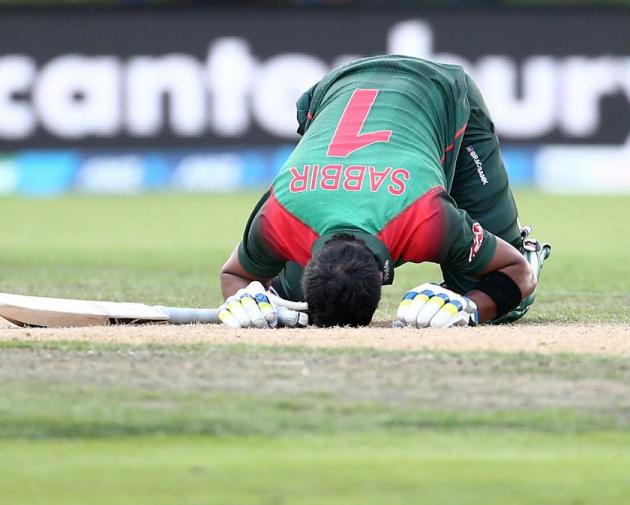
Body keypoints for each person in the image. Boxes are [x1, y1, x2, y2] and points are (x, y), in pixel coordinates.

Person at [218, 55, 550, 329]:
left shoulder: (427, 219)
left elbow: (517, 272)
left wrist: (471, 307)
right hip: (332, 88)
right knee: (288, 296)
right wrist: (257, 301)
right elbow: (234, 276)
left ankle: (523, 244)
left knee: (500, 298)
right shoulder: (279, 216)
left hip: (439, 90)